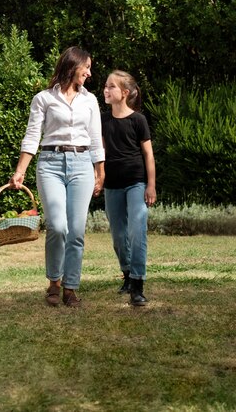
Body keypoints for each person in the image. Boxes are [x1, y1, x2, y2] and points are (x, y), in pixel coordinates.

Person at [9, 46, 105, 307]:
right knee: (57, 226)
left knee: (76, 230)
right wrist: (20, 172)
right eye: (86, 66)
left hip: (82, 164)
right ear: (73, 66)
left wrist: (100, 171)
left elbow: (96, 138)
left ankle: (71, 287)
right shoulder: (43, 99)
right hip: (50, 164)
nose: (89, 72)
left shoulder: (90, 100)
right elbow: (32, 136)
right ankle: (54, 282)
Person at [101, 70, 156, 306]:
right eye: (105, 85)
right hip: (112, 185)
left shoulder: (138, 120)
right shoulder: (102, 120)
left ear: (124, 93)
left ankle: (137, 285)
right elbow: (100, 153)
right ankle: (126, 272)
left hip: (136, 183)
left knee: (137, 231)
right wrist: (98, 178)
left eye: (111, 86)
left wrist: (151, 185)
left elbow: (148, 155)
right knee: (118, 236)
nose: (106, 89)